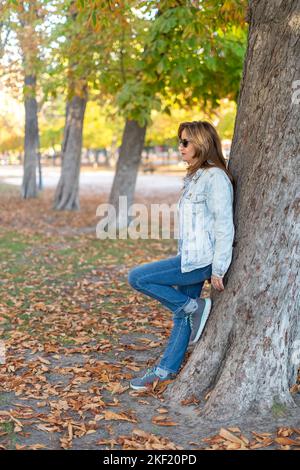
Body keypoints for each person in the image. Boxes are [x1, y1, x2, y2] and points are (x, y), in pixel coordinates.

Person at [128, 120, 235, 390]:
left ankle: (195, 307)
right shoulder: (194, 177)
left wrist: (218, 269)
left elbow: (224, 226)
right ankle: (165, 370)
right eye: (180, 141)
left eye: (185, 142)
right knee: (182, 315)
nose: (180, 146)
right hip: (189, 257)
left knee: (138, 277)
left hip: (201, 262)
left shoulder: (216, 178)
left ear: (202, 143)